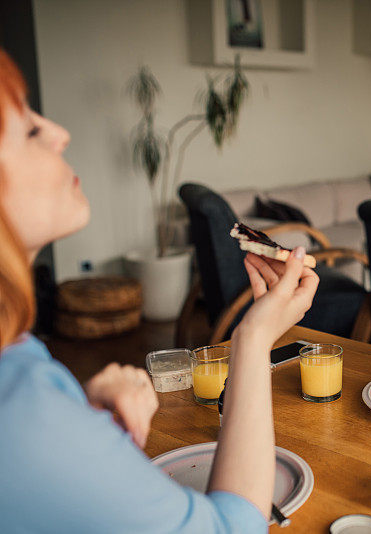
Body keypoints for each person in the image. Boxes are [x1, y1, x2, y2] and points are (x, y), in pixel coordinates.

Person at [0, 49, 319, 532]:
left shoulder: (21, 362)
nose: (60, 133)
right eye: (27, 128)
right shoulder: (20, 413)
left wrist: (76, 416)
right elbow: (232, 527)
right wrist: (253, 338)